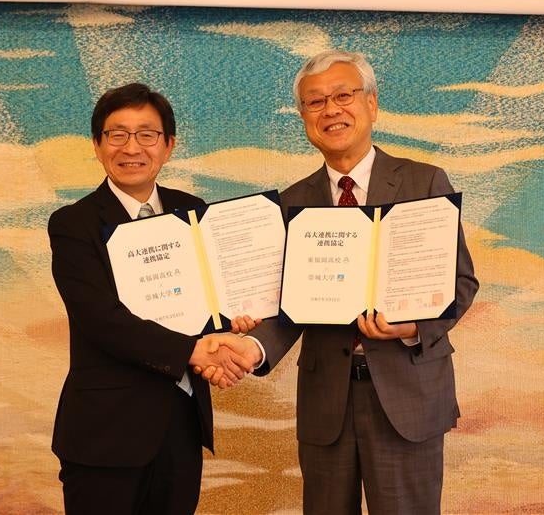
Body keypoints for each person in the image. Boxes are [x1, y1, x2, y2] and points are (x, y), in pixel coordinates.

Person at [204, 50, 479, 514]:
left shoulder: (425, 182)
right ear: (304, 118)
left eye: (343, 96)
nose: (330, 110)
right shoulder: (291, 203)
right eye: (315, 102)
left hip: (408, 395)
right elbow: (283, 307)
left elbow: (461, 282)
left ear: (371, 104)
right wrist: (251, 348)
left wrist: (412, 326)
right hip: (326, 400)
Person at [48, 82, 257, 515]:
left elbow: (210, 302)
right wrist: (194, 351)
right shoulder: (73, 224)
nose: (132, 147)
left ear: (168, 145)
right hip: (105, 434)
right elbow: (101, 320)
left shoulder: (193, 210)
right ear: (97, 145)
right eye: (117, 134)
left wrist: (233, 321)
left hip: (181, 428)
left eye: (146, 134)